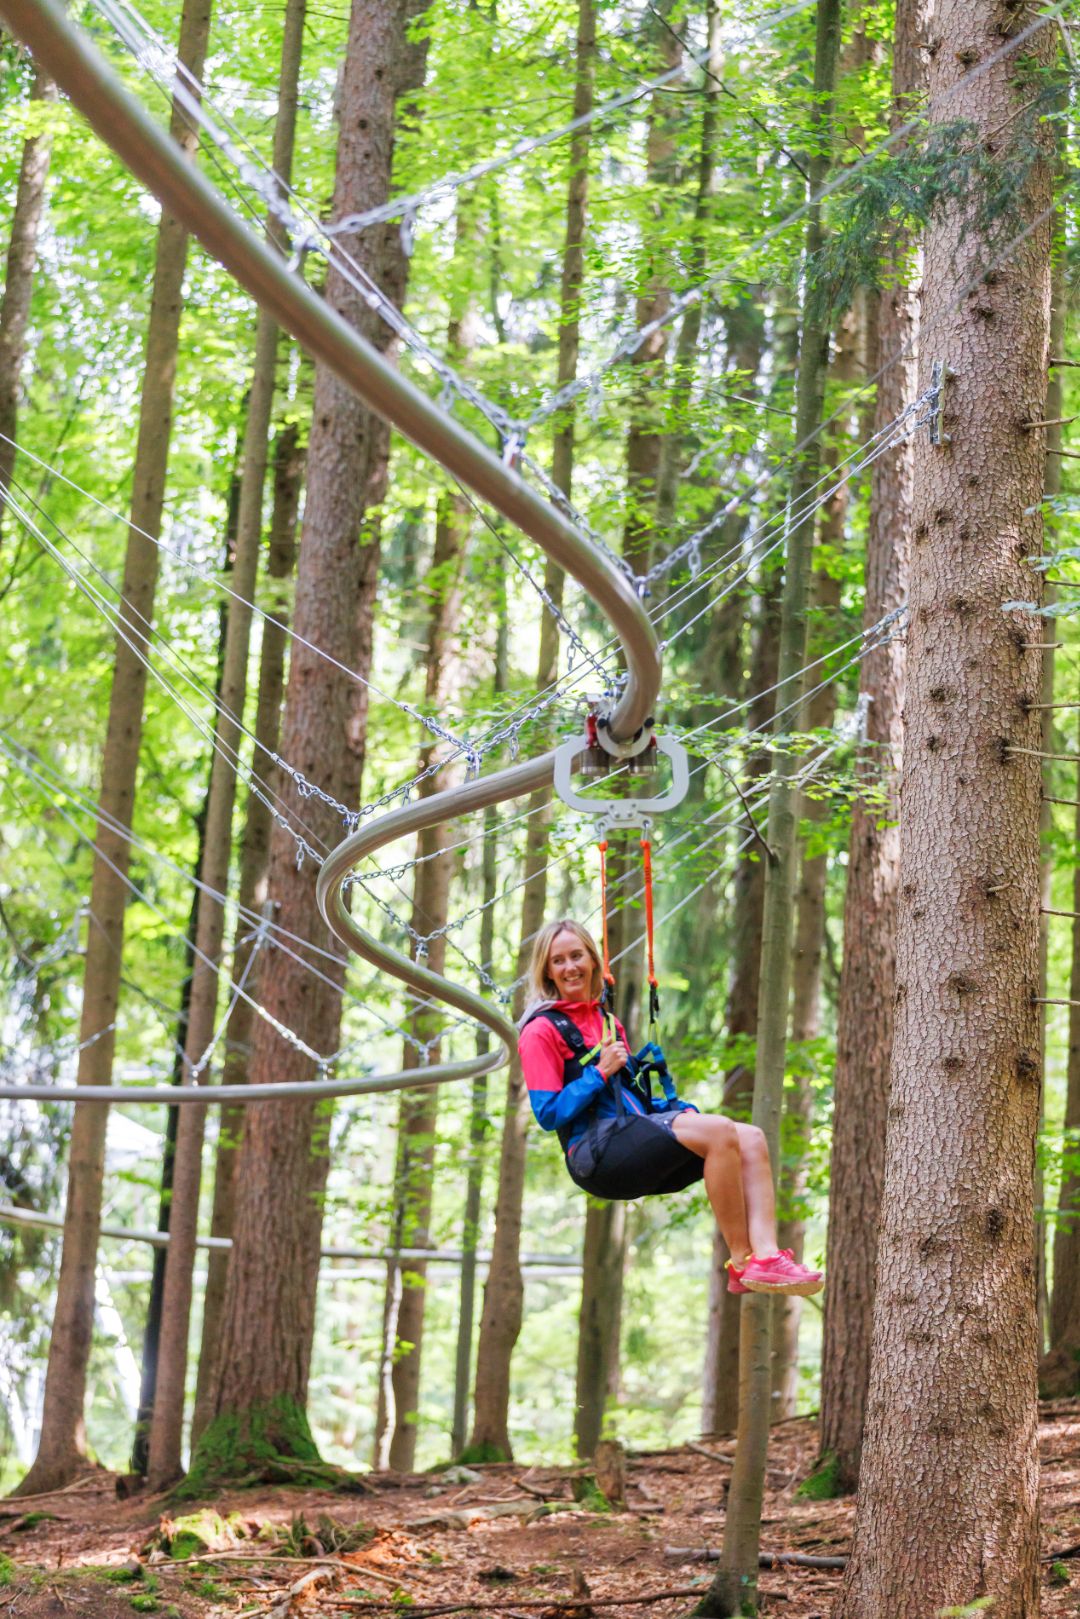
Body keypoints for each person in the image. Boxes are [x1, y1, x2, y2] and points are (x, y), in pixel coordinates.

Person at [519, 918, 823, 1298]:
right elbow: (548, 1114)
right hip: (596, 1156)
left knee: (750, 1137)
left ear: (593, 960)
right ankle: (742, 1260)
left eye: (577, 956)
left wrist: (676, 1110)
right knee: (720, 1131)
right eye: (558, 960)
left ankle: (767, 1257)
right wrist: (598, 1073)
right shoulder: (540, 1031)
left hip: (631, 1133)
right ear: (547, 970)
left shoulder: (605, 1020)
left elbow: (630, 1097)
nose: (570, 967)